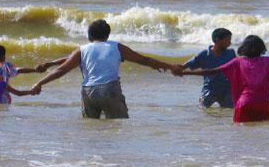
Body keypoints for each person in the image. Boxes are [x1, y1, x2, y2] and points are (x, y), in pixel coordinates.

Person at [31, 19, 178, 119]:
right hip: (110, 90)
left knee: (91, 128)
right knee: (117, 125)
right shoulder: (116, 47)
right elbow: (144, 60)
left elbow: (62, 69)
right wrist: (169, 66)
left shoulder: (82, 50)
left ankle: (94, 160)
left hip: (89, 92)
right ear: (108, 35)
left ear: (89, 35)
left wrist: (40, 83)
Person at [178, 35, 269, 123]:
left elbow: (211, 71)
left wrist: (186, 72)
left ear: (244, 48)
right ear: (262, 48)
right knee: (263, 136)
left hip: (244, 104)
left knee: (242, 137)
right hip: (262, 104)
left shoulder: (237, 61)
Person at [179, 28, 236, 108]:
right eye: (227, 40)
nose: (230, 43)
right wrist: (177, 69)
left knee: (229, 111)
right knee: (203, 108)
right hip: (210, 88)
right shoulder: (205, 54)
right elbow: (187, 65)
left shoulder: (231, 54)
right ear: (217, 40)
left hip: (227, 88)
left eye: (230, 40)